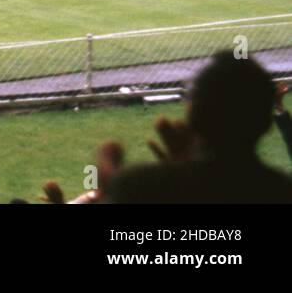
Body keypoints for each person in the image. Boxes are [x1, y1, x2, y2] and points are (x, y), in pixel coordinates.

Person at [105, 53, 292, 203]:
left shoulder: (140, 186)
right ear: (266, 124)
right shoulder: (281, 192)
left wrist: (111, 179)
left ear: (192, 115)